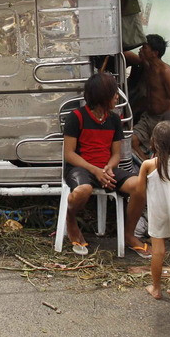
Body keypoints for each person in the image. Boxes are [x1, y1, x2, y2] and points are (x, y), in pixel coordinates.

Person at [62, 72, 150, 257]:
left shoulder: (114, 120)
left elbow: (116, 154)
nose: (117, 97)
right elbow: (69, 154)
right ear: (102, 96)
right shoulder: (76, 117)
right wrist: (95, 170)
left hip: (105, 169)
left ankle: (128, 234)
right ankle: (70, 220)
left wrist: (109, 167)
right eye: (113, 93)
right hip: (81, 169)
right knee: (83, 190)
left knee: (139, 185)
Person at [140, 121, 170, 304]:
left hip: (158, 213)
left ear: (154, 142)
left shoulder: (148, 164)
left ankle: (156, 288)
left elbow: (139, 189)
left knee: (158, 251)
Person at [124, 34, 170, 160]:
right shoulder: (147, 65)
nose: (140, 50)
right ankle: (146, 164)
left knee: (161, 149)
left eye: (144, 48)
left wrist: (164, 123)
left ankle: (154, 165)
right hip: (148, 117)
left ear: (155, 53)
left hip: (163, 117)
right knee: (131, 141)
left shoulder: (166, 72)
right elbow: (127, 54)